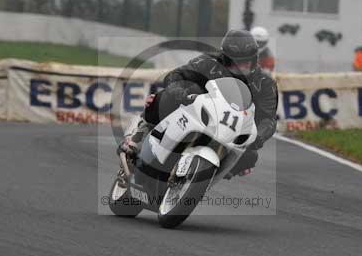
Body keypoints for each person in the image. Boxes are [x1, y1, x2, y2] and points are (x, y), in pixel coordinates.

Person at [118, 30, 279, 178]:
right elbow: (175, 75)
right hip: (197, 110)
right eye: (235, 62)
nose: (241, 67)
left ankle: (210, 176)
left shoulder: (265, 83)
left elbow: (268, 118)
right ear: (224, 57)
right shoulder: (208, 62)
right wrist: (181, 94)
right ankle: (140, 133)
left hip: (230, 129)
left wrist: (258, 137)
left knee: (250, 157)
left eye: (246, 62)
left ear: (255, 59)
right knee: (163, 97)